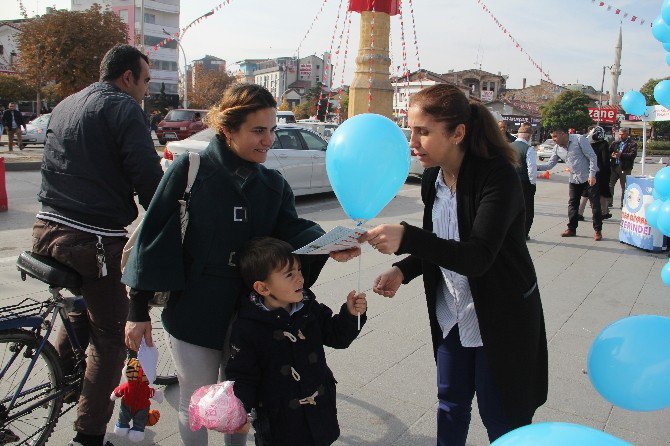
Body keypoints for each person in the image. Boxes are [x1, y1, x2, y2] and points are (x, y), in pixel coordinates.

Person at [121, 83, 359, 446]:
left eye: (272, 130)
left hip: (253, 314)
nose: (269, 140)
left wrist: (327, 245)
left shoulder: (272, 183)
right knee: (196, 399)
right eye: (258, 131)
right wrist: (137, 309)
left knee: (242, 400)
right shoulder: (191, 170)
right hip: (194, 310)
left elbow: (291, 231)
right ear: (228, 129)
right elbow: (156, 238)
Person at [359, 84, 548, 445]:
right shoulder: (433, 178)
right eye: (410, 128)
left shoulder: (498, 177)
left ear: (458, 132)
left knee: (502, 417)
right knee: (450, 403)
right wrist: (404, 269)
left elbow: (476, 256)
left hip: (499, 315)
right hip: (452, 313)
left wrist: (408, 237)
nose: (412, 141)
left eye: (423, 131)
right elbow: (443, 244)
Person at [30, 44, 163, 446]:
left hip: (45, 230)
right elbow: (147, 178)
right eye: (145, 81)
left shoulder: (67, 104)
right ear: (128, 77)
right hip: (91, 240)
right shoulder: (125, 108)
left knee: (80, 306)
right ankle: (88, 436)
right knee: (109, 337)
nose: (145, 89)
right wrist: (167, 215)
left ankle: (69, 382)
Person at [226, 237, 367, 446]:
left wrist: (350, 314)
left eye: (299, 270)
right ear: (263, 288)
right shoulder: (248, 327)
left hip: (319, 412)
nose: (300, 279)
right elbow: (243, 376)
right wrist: (241, 411)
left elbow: (337, 336)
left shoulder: (308, 308)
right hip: (280, 423)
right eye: (289, 275)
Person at [537, 128, 602, 240]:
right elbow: (550, 164)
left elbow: (592, 157)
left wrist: (592, 175)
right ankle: (571, 229)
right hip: (574, 179)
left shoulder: (579, 139)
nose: (553, 140)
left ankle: (597, 230)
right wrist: (536, 167)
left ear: (563, 134)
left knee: (594, 205)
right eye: (552, 137)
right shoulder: (557, 148)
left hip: (589, 178)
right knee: (573, 204)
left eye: (555, 137)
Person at [577, 126, 612, 221]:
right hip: (600, 173)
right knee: (602, 192)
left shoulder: (587, 143)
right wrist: (608, 173)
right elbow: (605, 161)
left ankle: (579, 213)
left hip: (588, 171)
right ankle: (604, 213)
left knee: (585, 193)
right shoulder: (604, 144)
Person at [511, 122, 537, 239]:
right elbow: (531, 169)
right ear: (528, 136)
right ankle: (524, 233)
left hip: (510, 182)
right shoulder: (528, 149)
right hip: (524, 182)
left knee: (511, 207)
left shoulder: (509, 146)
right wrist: (533, 184)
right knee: (527, 209)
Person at [608, 128, 638, 209]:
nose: (620, 136)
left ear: (627, 134)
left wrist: (620, 155)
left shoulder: (632, 144)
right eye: (620, 134)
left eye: (622, 134)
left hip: (625, 168)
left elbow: (632, 155)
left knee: (624, 186)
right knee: (610, 184)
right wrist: (612, 155)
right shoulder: (615, 143)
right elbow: (609, 151)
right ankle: (609, 202)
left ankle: (623, 203)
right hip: (614, 166)